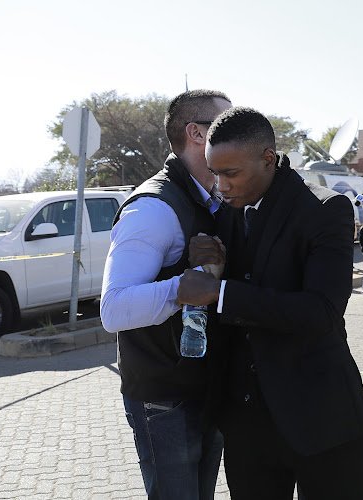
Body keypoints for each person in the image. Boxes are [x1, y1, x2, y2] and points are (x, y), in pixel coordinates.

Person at [176, 107, 363, 500]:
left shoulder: (325, 209)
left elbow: (321, 312)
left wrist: (222, 293)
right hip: (247, 428)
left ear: (268, 159)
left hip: (321, 421)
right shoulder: (227, 213)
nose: (220, 185)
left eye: (230, 173)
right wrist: (209, 263)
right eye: (215, 173)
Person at [100, 89, 232, 500]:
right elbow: (114, 310)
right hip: (164, 399)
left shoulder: (215, 198)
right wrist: (180, 287)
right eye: (225, 125)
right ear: (196, 133)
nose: (238, 133)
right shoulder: (153, 208)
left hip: (205, 386)